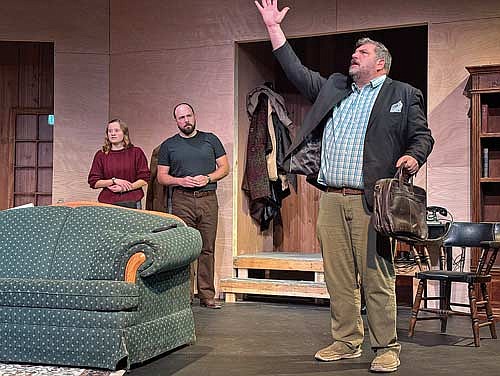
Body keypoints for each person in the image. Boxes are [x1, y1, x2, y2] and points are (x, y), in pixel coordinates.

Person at [255, 1, 434, 373]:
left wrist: (414, 156)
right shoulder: (336, 88)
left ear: (380, 62)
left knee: (376, 276)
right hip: (332, 199)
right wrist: (273, 28)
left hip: (371, 202)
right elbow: (296, 70)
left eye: (362, 52)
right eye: (355, 51)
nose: (355, 55)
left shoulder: (402, 94)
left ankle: (386, 346)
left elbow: (422, 136)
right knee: (337, 278)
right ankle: (346, 341)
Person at [157, 103, 229, 309]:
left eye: (188, 116)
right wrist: (180, 181)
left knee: (207, 247)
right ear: (176, 121)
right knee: (185, 249)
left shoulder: (210, 139)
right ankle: (184, 296)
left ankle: (207, 295)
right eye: (181, 118)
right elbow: (162, 176)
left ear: (195, 116)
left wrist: (207, 177)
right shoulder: (169, 145)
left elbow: (224, 168)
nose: (186, 120)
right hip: (182, 199)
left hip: (207, 198)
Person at [88, 119, 150, 209]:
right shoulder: (101, 155)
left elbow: (144, 179)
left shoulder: (136, 152)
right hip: (107, 203)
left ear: (124, 133)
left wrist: (125, 188)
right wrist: (113, 181)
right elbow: (94, 182)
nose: (113, 134)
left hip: (132, 202)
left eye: (116, 130)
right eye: (110, 131)